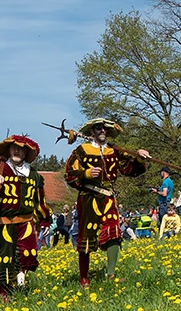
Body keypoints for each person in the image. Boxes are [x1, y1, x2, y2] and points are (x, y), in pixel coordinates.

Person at [64, 118, 150, 287]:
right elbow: (69, 174)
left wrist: (139, 158)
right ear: (92, 132)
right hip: (88, 197)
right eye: (98, 128)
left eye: (104, 128)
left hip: (109, 197)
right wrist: (86, 173)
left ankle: (110, 275)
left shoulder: (114, 151)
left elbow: (129, 169)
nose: (102, 130)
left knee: (113, 232)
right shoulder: (81, 150)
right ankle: (84, 278)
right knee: (86, 237)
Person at [0, 134, 51, 302]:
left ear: (25, 153)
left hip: (26, 223)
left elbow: (40, 201)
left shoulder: (34, 175)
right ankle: (4, 294)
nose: (17, 151)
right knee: (3, 259)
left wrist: (45, 220)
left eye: (21, 149)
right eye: (14, 148)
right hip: (3, 224)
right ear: (9, 150)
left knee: (28, 254)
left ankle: (19, 280)